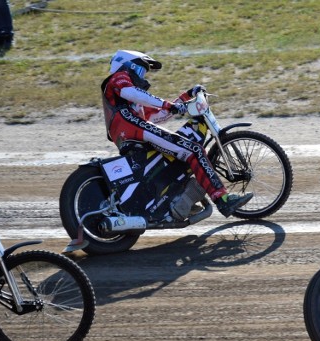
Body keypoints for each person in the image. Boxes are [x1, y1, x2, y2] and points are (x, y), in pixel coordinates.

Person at [101, 49, 253, 219]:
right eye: (141, 70)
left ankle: (179, 198)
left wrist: (185, 97)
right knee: (193, 150)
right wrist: (167, 104)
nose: (143, 76)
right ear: (127, 65)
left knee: (180, 156)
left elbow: (160, 115)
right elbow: (134, 94)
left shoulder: (133, 103)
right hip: (132, 129)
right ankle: (223, 199)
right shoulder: (119, 78)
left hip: (134, 133)